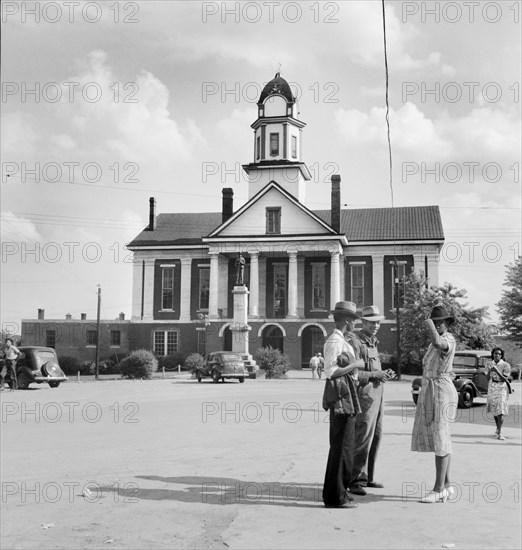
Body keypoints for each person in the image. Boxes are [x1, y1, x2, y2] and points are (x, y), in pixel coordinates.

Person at [411, 306, 458, 503]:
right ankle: (446, 485)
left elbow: (439, 343)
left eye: (441, 322)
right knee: (441, 437)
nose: (438, 325)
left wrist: (429, 325)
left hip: (441, 390)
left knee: (441, 438)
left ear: (447, 323)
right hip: (433, 389)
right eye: (435, 321)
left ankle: (438, 488)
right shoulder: (433, 344)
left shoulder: (447, 339)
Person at [322, 301, 365, 509]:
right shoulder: (333, 341)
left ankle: (340, 492)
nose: (355, 323)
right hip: (340, 398)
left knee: (346, 447)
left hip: (348, 396)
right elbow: (330, 372)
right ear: (347, 320)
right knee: (340, 448)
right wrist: (355, 365)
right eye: (354, 320)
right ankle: (335, 496)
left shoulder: (343, 341)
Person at [348, 306, 394, 496]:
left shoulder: (373, 342)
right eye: (371, 322)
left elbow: (375, 370)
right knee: (363, 436)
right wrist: (376, 374)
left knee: (376, 436)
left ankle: (368, 476)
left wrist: (385, 374)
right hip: (364, 396)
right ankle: (354, 479)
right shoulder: (356, 341)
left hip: (378, 394)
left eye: (377, 322)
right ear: (363, 322)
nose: (375, 325)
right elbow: (354, 372)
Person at [485, 347, 511, 441]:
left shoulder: (505, 365)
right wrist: (490, 372)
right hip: (492, 388)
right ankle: (497, 428)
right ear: (493, 354)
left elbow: (505, 379)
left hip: (501, 389)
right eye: (496, 353)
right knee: (495, 410)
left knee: (501, 411)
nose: (497, 355)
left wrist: (496, 371)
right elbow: (487, 378)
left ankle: (500, 432)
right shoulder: (489, 364)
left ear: (501, 355)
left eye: (499, 354)